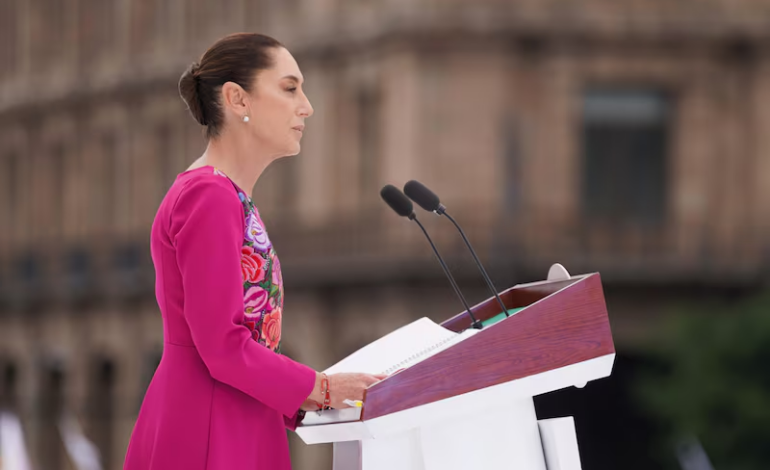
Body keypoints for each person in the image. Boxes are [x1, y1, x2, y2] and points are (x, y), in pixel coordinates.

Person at [123, 33, 385, 470]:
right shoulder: (208, 195)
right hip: (210, 428)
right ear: (237, 99)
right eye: (289, 88)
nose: (307, 106)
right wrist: (323, 388)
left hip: (231, 414)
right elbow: (222, 345)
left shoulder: (222, 195)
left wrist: (313, 398)